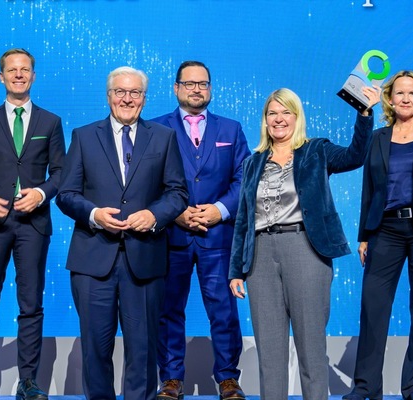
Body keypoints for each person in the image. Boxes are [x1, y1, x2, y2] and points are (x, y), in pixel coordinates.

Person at [229, 87, 379, 399]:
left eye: (286, 112)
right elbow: (243, 217)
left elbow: (355, 156)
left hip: (305, 249)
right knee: (269, 350)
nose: (279, 118)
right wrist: (235, 271)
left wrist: (364, 113)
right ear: (265, 120)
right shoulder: (252, 163)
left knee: (311, 346)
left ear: (297, 117)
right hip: (260, 257)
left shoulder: (316, 151)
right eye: (272, 113)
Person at [56, 66, 188, 400]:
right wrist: (95, 215)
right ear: (108, 96)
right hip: (92, 260)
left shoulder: (163, 137)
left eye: (135, 93)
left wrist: (154, 215)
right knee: (95, 351)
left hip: (144, 260)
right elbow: (66, 194)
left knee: (142, 352)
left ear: (144, 98)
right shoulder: (84, 136)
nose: (127, 99)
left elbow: (177, 193)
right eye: (120, 92)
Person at [343, 71, 413, 400]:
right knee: (372, 307)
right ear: (390, 100)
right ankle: (366, 387)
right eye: (399, 93)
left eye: (412, 93)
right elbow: (369, 189)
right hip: (385, 230)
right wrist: (365, 235)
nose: (406, 98)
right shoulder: (378, 137)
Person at [0, 48, 65, 400]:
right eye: (12, 70)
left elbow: (62, 172)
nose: (19, 75)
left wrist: (40, 194)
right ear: (2, 77)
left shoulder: (50, 122)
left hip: (33, 225)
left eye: (25, 70)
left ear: (33, 76)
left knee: (31, 305)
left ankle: (28, 382)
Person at [151, 61, 250, 400]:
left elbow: (244, 178)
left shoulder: (231, 129)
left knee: (224, 311)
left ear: (210, 88)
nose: (196, 89)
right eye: (189, 83)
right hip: (171, 236)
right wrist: (174, 212)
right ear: (176, 88)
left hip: (218, 237)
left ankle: (228, 378)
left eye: (203, 84)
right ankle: (171, 378)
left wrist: (219, 210)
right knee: (168, 310)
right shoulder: (155, 128)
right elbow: (146, 181)